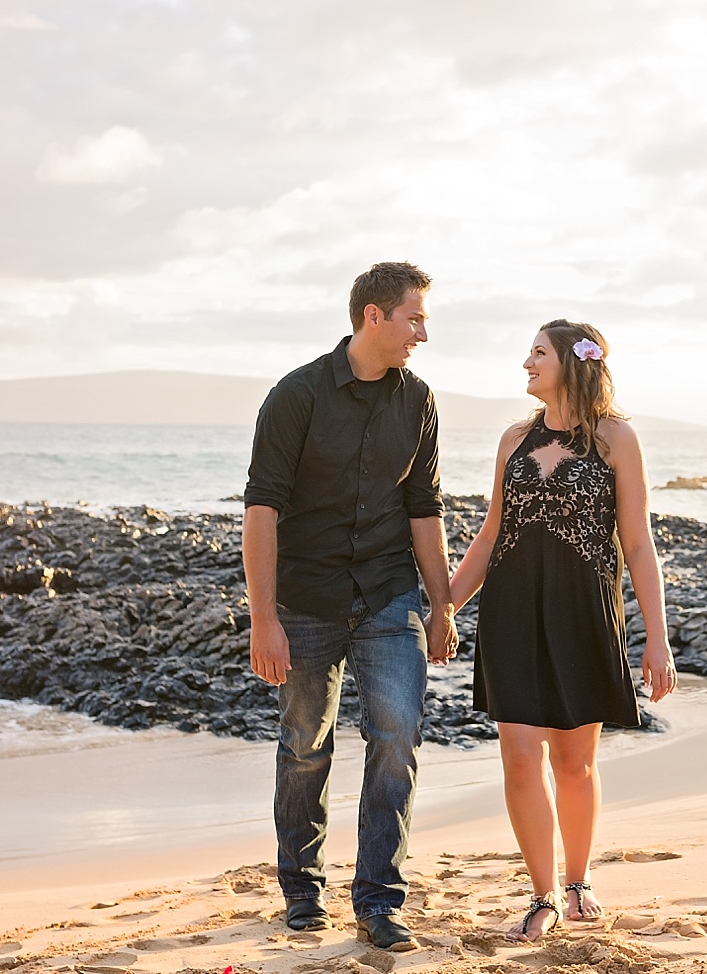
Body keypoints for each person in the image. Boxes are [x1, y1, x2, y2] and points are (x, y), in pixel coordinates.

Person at [242, 261, 459, 954]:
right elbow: (262, 509)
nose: (423, 332)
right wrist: (264, 616)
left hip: (389, 594)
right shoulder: (296, 395)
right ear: (374, 315)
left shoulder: (419, 401)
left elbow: (423, 508)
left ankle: (378, 898)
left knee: (397, 736)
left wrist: (444, 602)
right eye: (415, 317)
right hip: (305, 599)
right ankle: (304, 894)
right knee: (304, 745)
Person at [447, 320, 677, 942]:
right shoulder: (514, 439)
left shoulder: (616, 439)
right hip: (513, 612)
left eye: (538, 353)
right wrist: (445, 604)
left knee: (574, 762)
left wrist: (657, 638)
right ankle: (542, 893)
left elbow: (637, 542)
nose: (526, 362)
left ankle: (578, 881)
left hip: (582, 612)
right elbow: (492, 533)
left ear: (572, 364)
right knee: (521, 758)